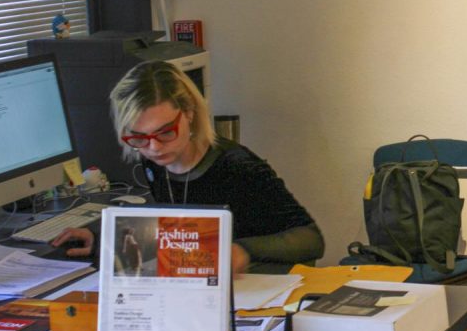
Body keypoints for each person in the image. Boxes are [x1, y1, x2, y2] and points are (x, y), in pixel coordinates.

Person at [51, 61, 324, 273]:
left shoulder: (237, 168)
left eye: (165, 132)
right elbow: (179, 234)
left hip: (254, 293)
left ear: (190, 114)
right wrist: (102, 238)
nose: (154, 147)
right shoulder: (155, 162)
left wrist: (243, 250)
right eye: (139, 137)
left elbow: (311, 239)